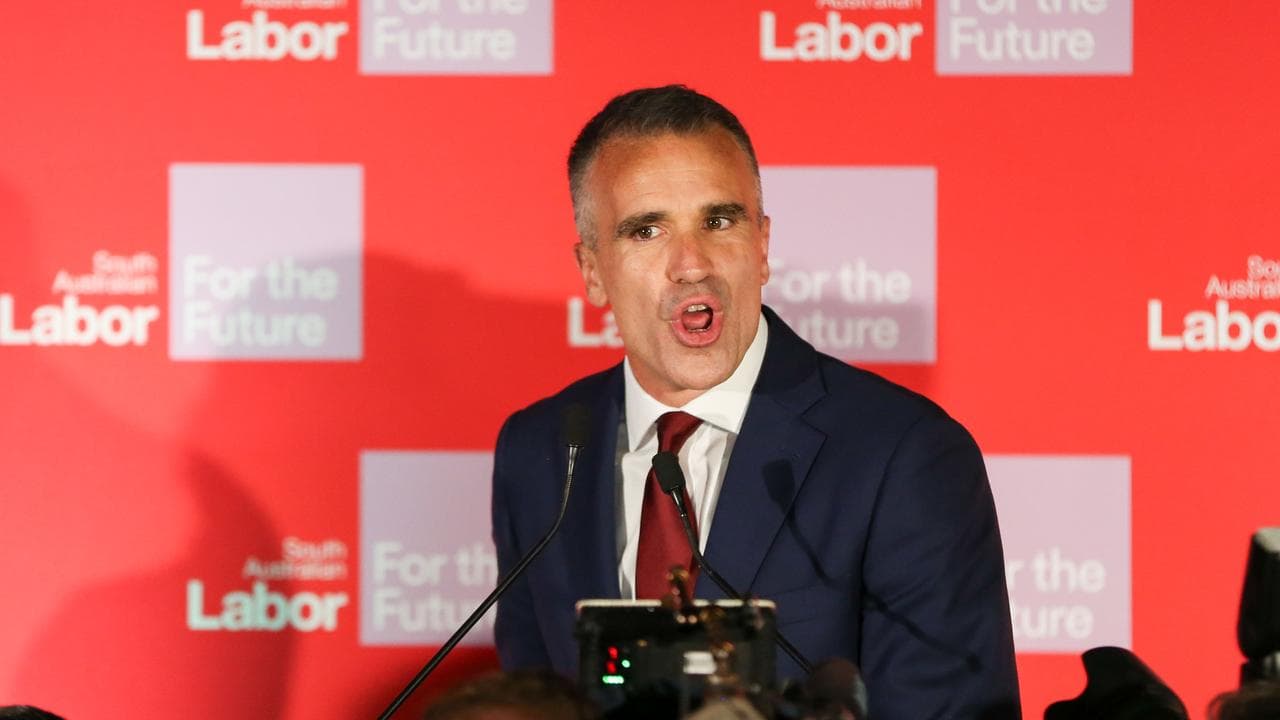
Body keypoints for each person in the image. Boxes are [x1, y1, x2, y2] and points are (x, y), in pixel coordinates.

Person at [490, 85, 1020, 719]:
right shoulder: (541, 450)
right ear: (594, 270)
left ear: (762, 246)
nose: (691, 264)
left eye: (719, 221)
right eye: (647, 230)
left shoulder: (903, 454)